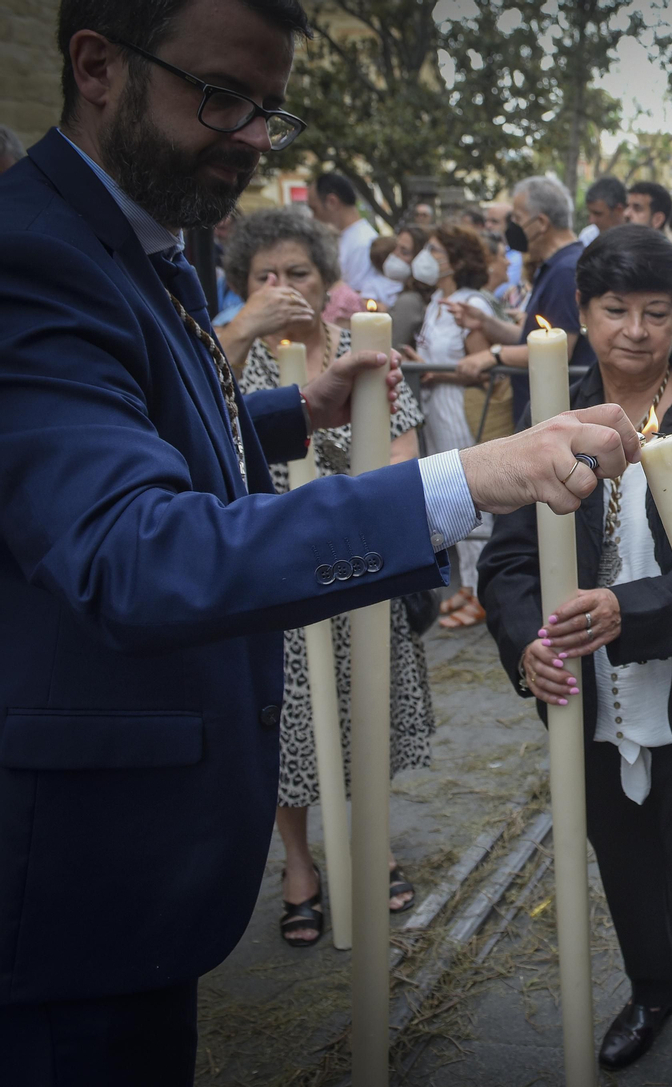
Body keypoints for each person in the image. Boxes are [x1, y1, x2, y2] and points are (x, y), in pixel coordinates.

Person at [0, 1, 640, 1080]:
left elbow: (136, 441)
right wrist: (467, 477)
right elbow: (129, 548)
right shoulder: (32, 255)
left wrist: (295, 415)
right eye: (222, 97)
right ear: (98, 66)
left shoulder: (131, 237)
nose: (252, 137)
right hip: (64, 884)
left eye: (270, 110)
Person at [479, 225, 672, 1087]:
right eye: (615, 310)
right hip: (590, 704)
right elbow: (504, 562)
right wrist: (529, 641)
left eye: (657, 311)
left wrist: (626, 608)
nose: (637, 332)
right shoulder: (545, 423)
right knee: (623, 865)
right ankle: (654, 992)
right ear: (580, 312)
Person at [223, 207, 432, 942]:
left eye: (298, 273)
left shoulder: (364, 349)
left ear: (326, 279)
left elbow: (404, 454)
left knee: (361, 709)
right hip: (272, 575)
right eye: (264, 276)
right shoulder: (228, 362)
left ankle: (369, 842)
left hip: (355, 564)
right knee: (288, 725)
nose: (282, 288)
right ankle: (299, 862)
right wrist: (241, 330)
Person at [454, 174, 597, 424]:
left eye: (517, 219)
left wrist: (494, 355)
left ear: (541, 222)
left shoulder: (565, 271)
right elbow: (534, 338)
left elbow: (558, 349)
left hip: (555, 418)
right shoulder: (556, 265)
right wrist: (486, 324)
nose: (511, 229)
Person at [413, 224, 500, 629]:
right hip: (436, 407)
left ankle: (485, 590)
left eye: (433, 248)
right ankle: (468, 583)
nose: (424, 256)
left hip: (459, 407)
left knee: (470, 490)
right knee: (450, 495)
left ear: (455, 258)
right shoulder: (435, 302)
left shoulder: (470, 304)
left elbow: (482, 369)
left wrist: (438, 375)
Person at [307, 171, 398, 306]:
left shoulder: (362, 244)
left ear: (332, 202)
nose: (313, 218)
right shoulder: (347, 238)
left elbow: (355, 300)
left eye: (314, 209)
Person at [583, 175, 628, 245]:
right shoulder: (588, 238)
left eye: (598, 214)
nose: (591, 220)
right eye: (589, 213)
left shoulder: (639, 238)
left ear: (619, 210)